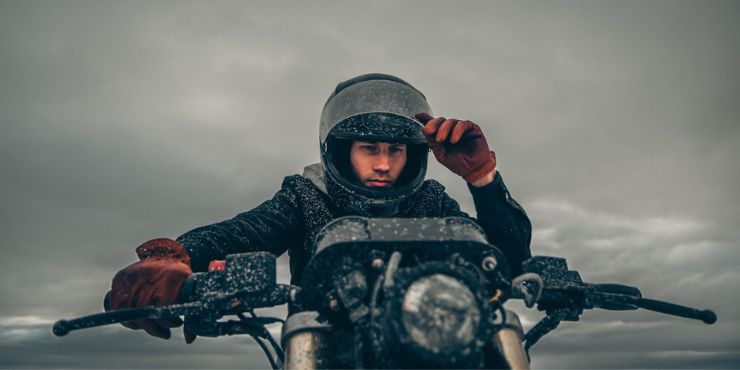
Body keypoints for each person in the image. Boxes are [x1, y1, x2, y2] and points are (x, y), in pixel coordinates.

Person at [109, 73, 532, 340]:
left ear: (413, 154)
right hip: (325, 347)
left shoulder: (430, 200)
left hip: (434, 343)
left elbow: (503, 261)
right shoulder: (305, 196)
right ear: (343, 150)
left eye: (396, 150)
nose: (384, 163)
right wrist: (176, 259)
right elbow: (247, 230)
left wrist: (482, 179)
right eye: (369, 148)